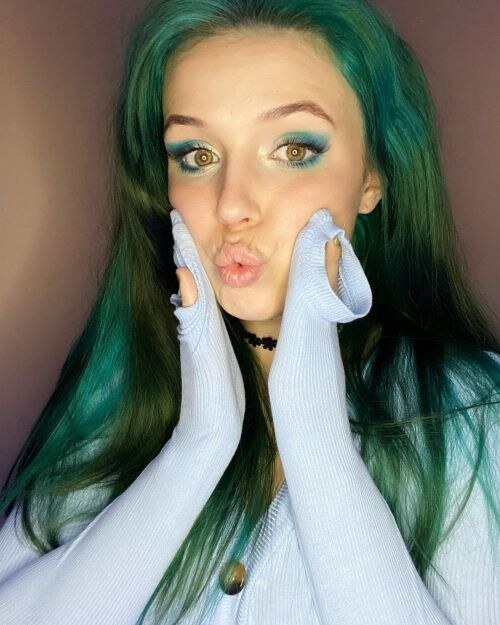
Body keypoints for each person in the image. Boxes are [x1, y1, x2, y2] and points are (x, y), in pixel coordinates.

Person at [0, 0, 499, 624]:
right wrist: (198, 445)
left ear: (372, 175)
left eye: (292, 150)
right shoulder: (118, 403)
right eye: (197, 155)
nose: (232, 205)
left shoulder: (477, 414)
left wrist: (314, 431)